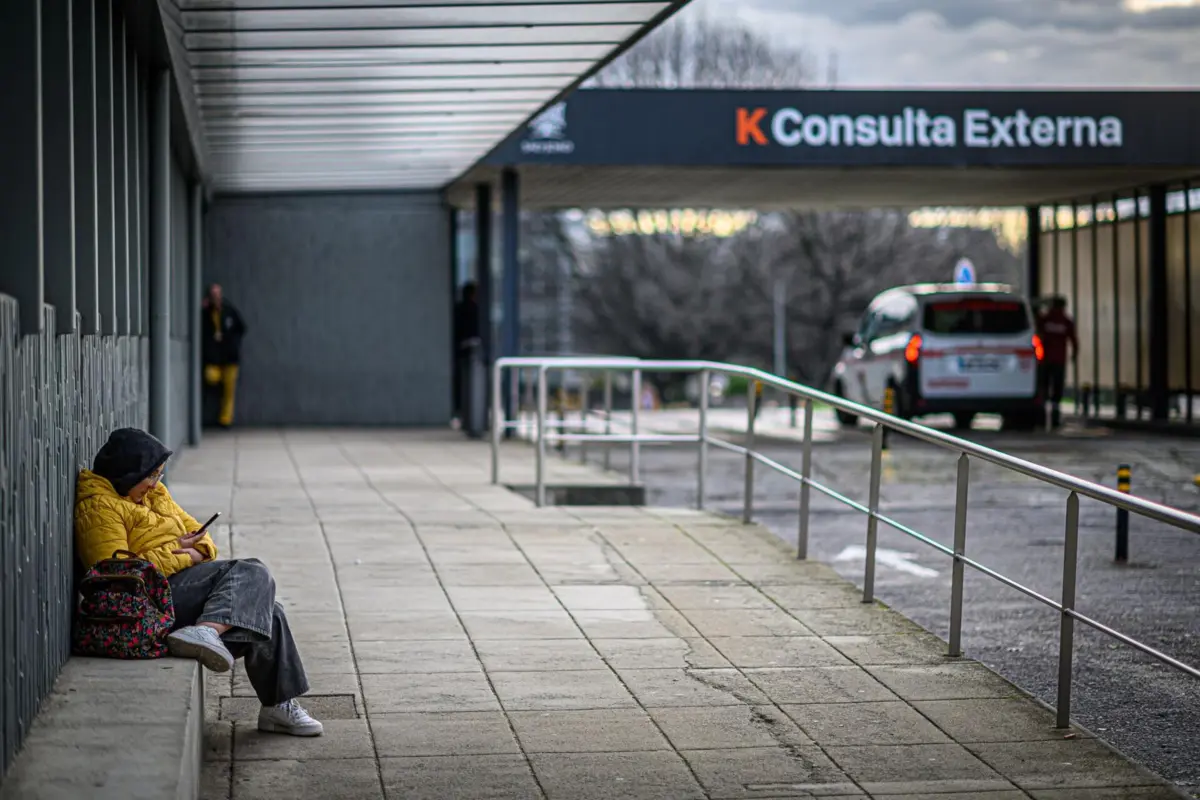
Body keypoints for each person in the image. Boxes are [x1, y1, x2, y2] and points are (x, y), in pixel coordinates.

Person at [74, 428, 322, 737]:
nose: (155, 483)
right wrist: (183, 555)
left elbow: (205, 543)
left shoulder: (154, 495)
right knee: (253, 572)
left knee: (269, 610)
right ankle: (206, 631)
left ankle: (276, 705)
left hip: (171, 586)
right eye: (150, 476)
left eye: (159, 475)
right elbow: (116, 574)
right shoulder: (99, 507)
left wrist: (188, 548)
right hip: (145, 602)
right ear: (127, 472)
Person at [202, 283, 247, 428]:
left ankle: (225, 420)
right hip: (214, 357)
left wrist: (231, 340)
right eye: (213, 294)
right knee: (211, 376)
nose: (215, 297)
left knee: (229, 391)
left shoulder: (229, 311)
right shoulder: (207, 312)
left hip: (230, 356)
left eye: (217, 294)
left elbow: (242, 327)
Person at [1037, 296, 1078, 429]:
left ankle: (1042, 417)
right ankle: (1054, 418)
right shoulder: (1066, 321)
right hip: (1059, 360)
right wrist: (1074, 355)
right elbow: (1073, 340)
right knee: (1057, 389)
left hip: (1044, 360)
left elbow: (1036, 335)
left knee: (1043, 387)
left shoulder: (1044, 319)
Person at [452, 282, 481, 423]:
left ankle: (461, 413)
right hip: (466, 353)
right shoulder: (474, 310)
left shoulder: (459, 309)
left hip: (460, 353)